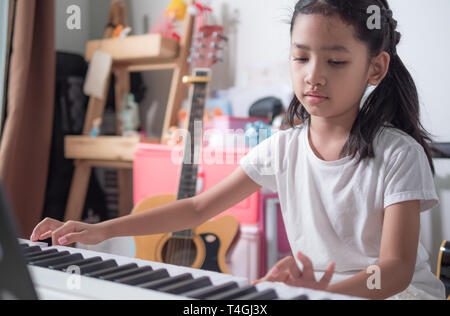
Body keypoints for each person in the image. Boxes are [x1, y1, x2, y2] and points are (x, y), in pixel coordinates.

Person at [30, 0, 446, 300]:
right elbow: (196, 209)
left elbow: (394, 272)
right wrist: (102, 230)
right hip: (314, 291)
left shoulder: (398, 155)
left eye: (335, 62)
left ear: (375, 68)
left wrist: (326, 293)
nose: (313, 76)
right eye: (301, 58)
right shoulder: (282, 148)